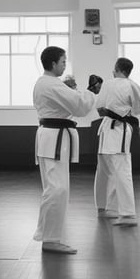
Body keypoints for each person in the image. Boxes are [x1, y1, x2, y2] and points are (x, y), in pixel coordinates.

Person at [33, 46, 97, 254]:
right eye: (62, 62)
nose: (64, 65)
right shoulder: (51, 84)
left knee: (55, 188)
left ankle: (49, 237)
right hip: (54, 139)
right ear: (53, 64)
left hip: (51, 138)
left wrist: (72, 90)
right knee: (57, 189)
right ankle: (50, 239)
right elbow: (80, 107)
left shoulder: (47, 83)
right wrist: (90, 90)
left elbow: (70, 104)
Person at [93, 58, 140, 227]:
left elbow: (99, 107)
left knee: (103, 170)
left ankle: (105, 208)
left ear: (116, 69)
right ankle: (124, 213)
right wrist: (128, 110)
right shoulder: (133, 86)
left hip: (106, 128)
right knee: (122, 170)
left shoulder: (107, 84)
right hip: (120, 128)